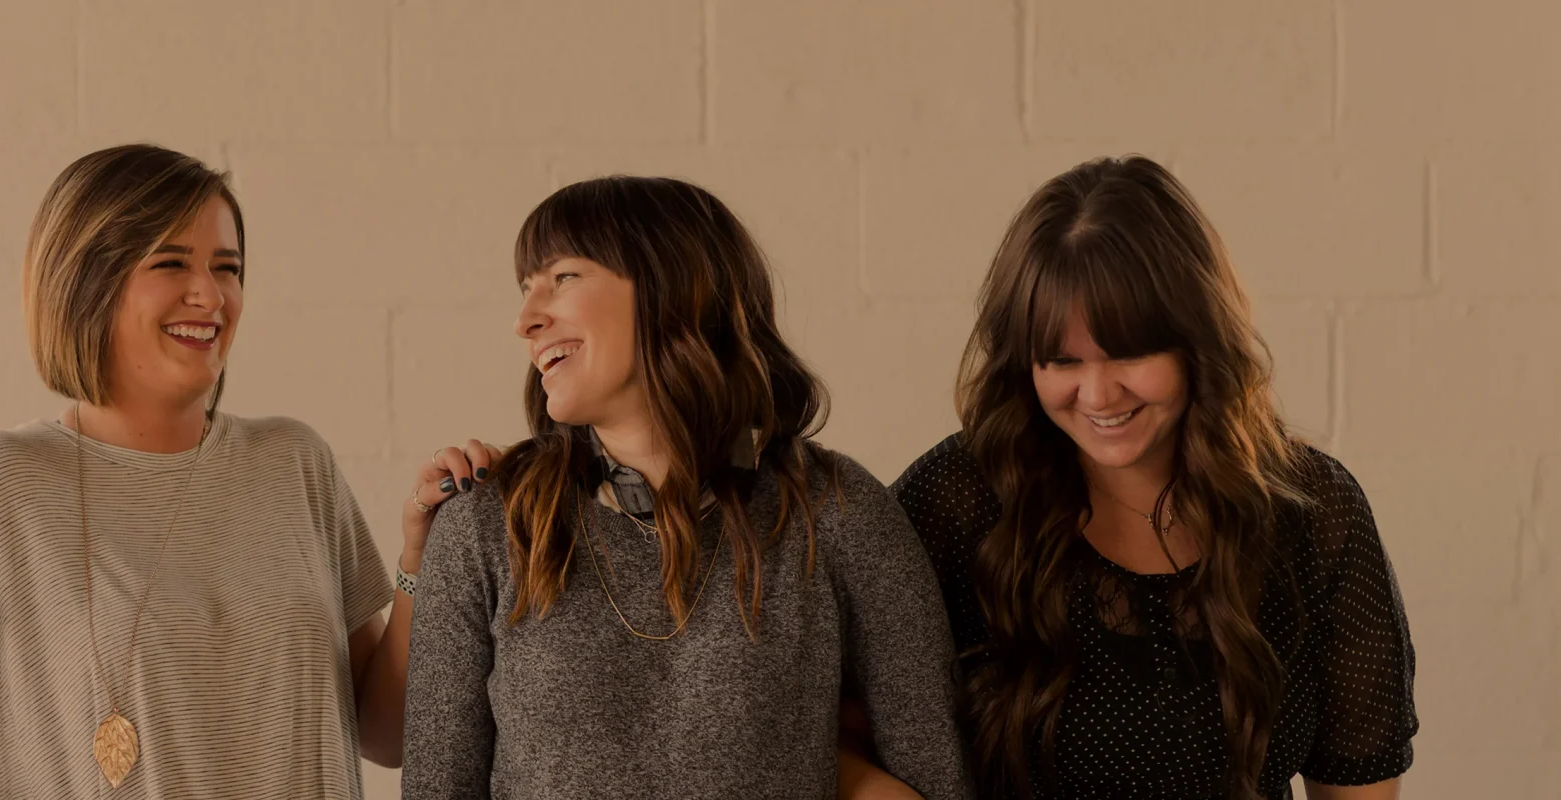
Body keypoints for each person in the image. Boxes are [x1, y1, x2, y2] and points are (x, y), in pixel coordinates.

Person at [0, 144, 421, 798]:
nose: (211, 295)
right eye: (172, 262)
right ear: (86, 282)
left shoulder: (295, 465)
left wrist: (419, 566)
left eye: (226, 267)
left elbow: (388, 733)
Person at [399, 175, 972, 800]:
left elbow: (936, 778)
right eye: (525, 289)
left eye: (562, 278)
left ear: (671, 287)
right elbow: (435, 786)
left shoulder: (836, 510)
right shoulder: (486, 522)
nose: (526, 320)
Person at [891, 155, 1417, 800]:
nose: (1097, 394)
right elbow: (832, 726)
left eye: (1130, 354)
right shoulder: (954, 502)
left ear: (1198, 341)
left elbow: (1358, 779)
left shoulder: (1313, 511)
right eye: (1060, 360)